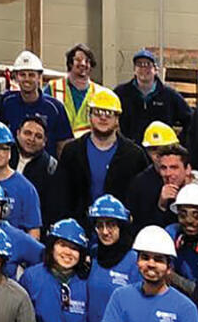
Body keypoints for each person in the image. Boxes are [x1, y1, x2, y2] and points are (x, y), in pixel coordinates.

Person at [56, 88, 148, 223]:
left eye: (109, 113)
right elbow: (60, 195)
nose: (103, 118)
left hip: (120, 229)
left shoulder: (134, 156)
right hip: (79, 227)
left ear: (117, 119)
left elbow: (141, 199)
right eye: (98, 112)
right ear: (89, 116)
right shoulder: (72, 151)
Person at [124, 140, 198, 233]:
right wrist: (161, 207)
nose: (168, 173)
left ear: (188, 169)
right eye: (163, 168)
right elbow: (151, 233)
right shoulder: (155, 193)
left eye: (174, 167)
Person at [0, 51, 72, 152]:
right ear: (16, 77)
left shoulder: (55, 108)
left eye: (31, 75)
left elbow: (63, 144)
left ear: (39, 77)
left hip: (46, 161)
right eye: (22, 75)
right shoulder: (8, 102)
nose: (27, 79)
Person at [115, 50, 192, 145]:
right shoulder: (121, 93)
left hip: (159, 149)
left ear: (155, 70)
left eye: (148, 64)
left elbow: (190, 120)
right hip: (130, 150)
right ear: (134, 70)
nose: (144, 68)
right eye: (139, 64)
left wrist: (178, 143)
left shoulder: (169, 96)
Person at [46, 44, 107, 140]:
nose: (83, 64)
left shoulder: (100, 93)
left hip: (88, 145)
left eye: (87, 61)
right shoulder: (53, 87)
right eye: (78, 60)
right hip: (58, 143)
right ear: (70, 63)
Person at [13, 116, 58, 208]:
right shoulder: (4, 156)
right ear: (18, 133)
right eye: (27, 133)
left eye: (38, 136)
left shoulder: (51, 166)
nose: (32, 139)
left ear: (45, 141)